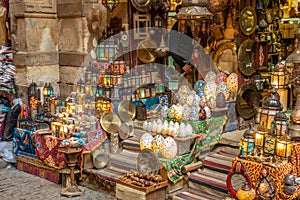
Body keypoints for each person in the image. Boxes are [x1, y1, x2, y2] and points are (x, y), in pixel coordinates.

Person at [168, 5, 195, 86]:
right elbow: (172, 49)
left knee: (190, 85)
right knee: (184, 87)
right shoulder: (176, 29)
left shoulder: (187, 27)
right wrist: (182, 65)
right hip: (181, 63)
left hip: (188, 61)